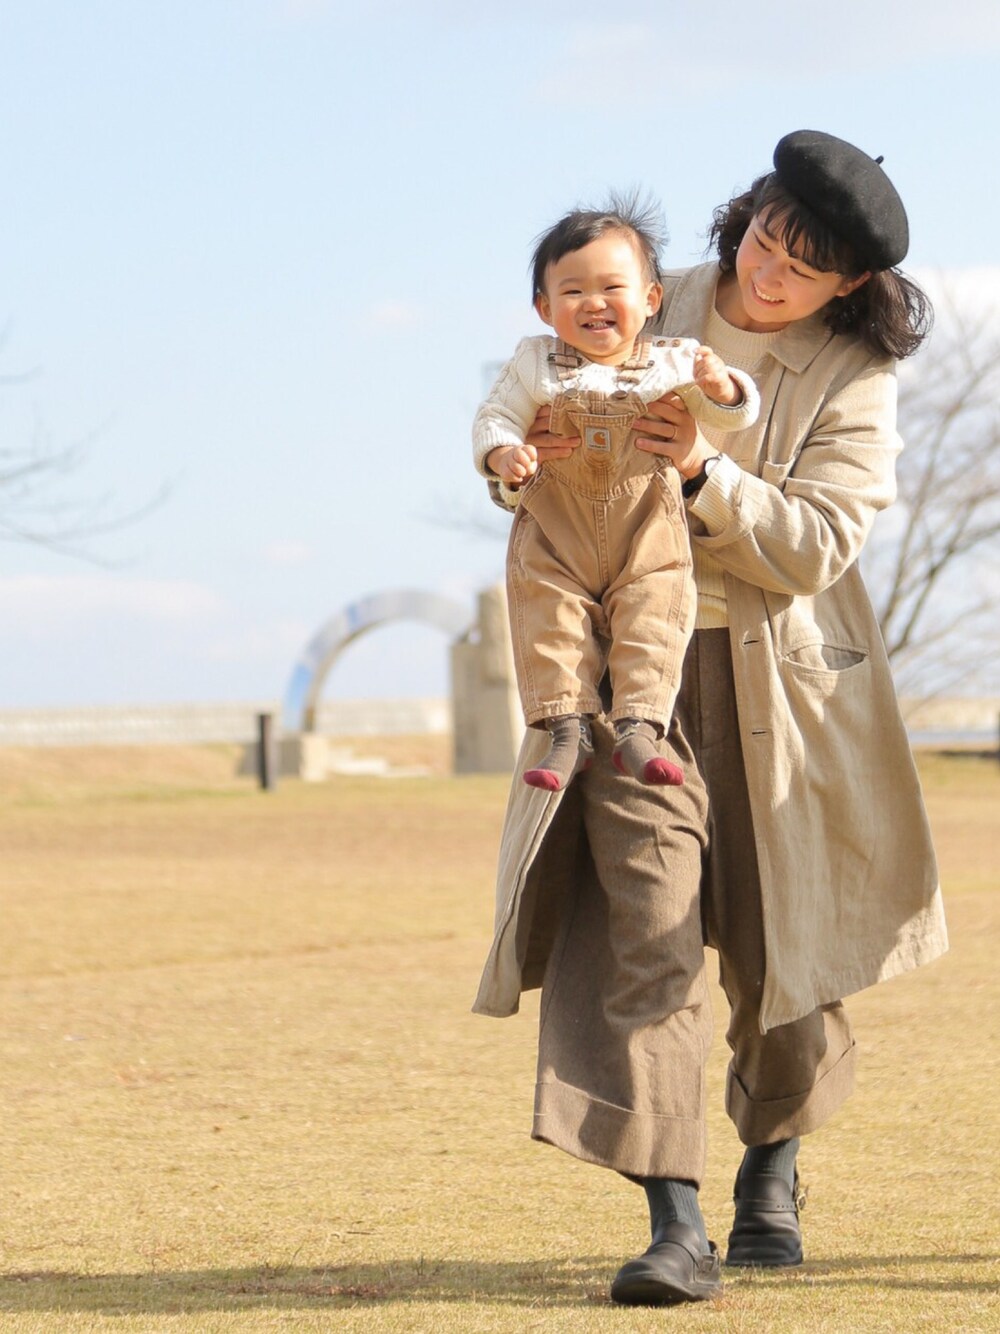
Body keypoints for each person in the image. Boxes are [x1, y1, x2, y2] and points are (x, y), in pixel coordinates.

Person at [473, 130, 948, 1307]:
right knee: (647, 933)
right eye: (764, 243)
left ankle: (770, 1165)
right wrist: (519, 460)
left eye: (805, 268)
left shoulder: (851, 374)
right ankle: (673, 1224)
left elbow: (820, 543)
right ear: (745, 219)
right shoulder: (642, 292)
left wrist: (700, 473)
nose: (769, 276)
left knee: (785, 948)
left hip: (780, 687)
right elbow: (526, 402)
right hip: (630, 681)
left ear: (849, 284)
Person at [472, 198, 759, 791]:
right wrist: (505, 455)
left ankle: (640, 728)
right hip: (558, 528)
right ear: (545, 308)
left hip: (645, 524)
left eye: (611, 287)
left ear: (650, 299)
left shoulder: (673, 360)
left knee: (655, 611)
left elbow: (730, 414)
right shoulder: (535, 363)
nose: (593, 302)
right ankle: (566, 732)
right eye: (573, 291)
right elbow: (495, 416)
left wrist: (722, 385)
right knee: (549, 617)